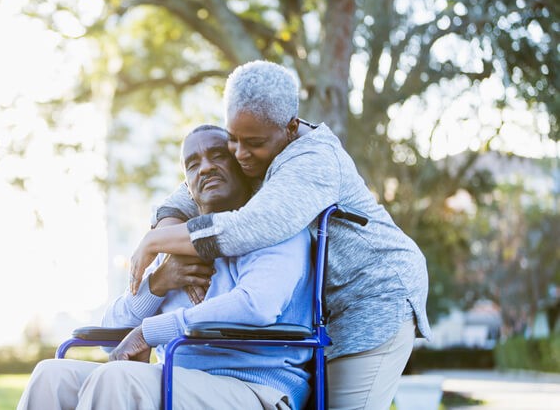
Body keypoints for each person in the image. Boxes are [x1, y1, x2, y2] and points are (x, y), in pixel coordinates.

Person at [130, 60, 432, 410]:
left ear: (290, 127)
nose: (240, 154)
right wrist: (170, 242)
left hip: (373, 294)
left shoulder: (312, 160)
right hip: (323, 309)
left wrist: (154, 243)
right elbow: (184, 196)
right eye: (233, 140)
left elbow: (248, 228)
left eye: (253, 143)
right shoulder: (253, 148)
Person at [17, 125, 315, 410]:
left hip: (255, 387)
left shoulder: (274, 226)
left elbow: (256, 305)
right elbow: (111, 338)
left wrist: (150, 332)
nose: (206, 167)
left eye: (218, 155)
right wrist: (157, 284)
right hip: (176, 381)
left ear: (242, 164)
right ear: (188, 188)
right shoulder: (175, 242)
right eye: (193, 164)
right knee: (50, 376)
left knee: (117, 379)